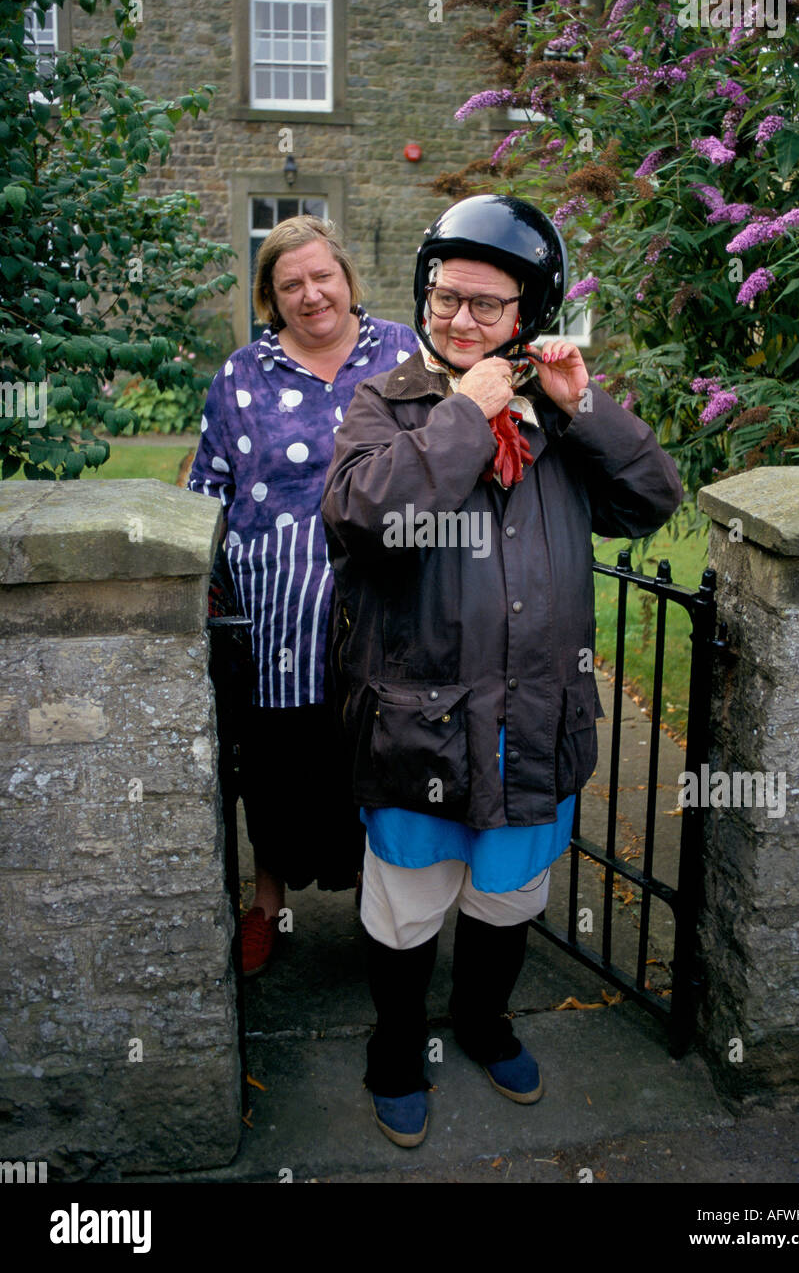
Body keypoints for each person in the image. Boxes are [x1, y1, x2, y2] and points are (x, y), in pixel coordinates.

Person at [321, 193, 684, 1147]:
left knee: (509, 894)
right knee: (406, 904)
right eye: (446, 298)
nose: (461, 320)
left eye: (488, 305)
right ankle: (395, 1049)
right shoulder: (388, 402)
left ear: (528, 314)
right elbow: (362, 521)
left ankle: (482, 1023)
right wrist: (463, 417)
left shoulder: (562, 419)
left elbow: (653, 500)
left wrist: (585, 408)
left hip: (533, 712)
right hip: (420, 719)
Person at [187, 216, 419, 977]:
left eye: (322, 276)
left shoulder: (406, 355)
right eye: (290, 284)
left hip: (386, 607)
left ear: (348, 277)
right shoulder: (240, 375)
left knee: (377, 758)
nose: (310, 294)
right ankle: (266, 903)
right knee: (277, 765)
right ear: (271, 297)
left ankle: (376, 901)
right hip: (277, 611)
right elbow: (204, 492)